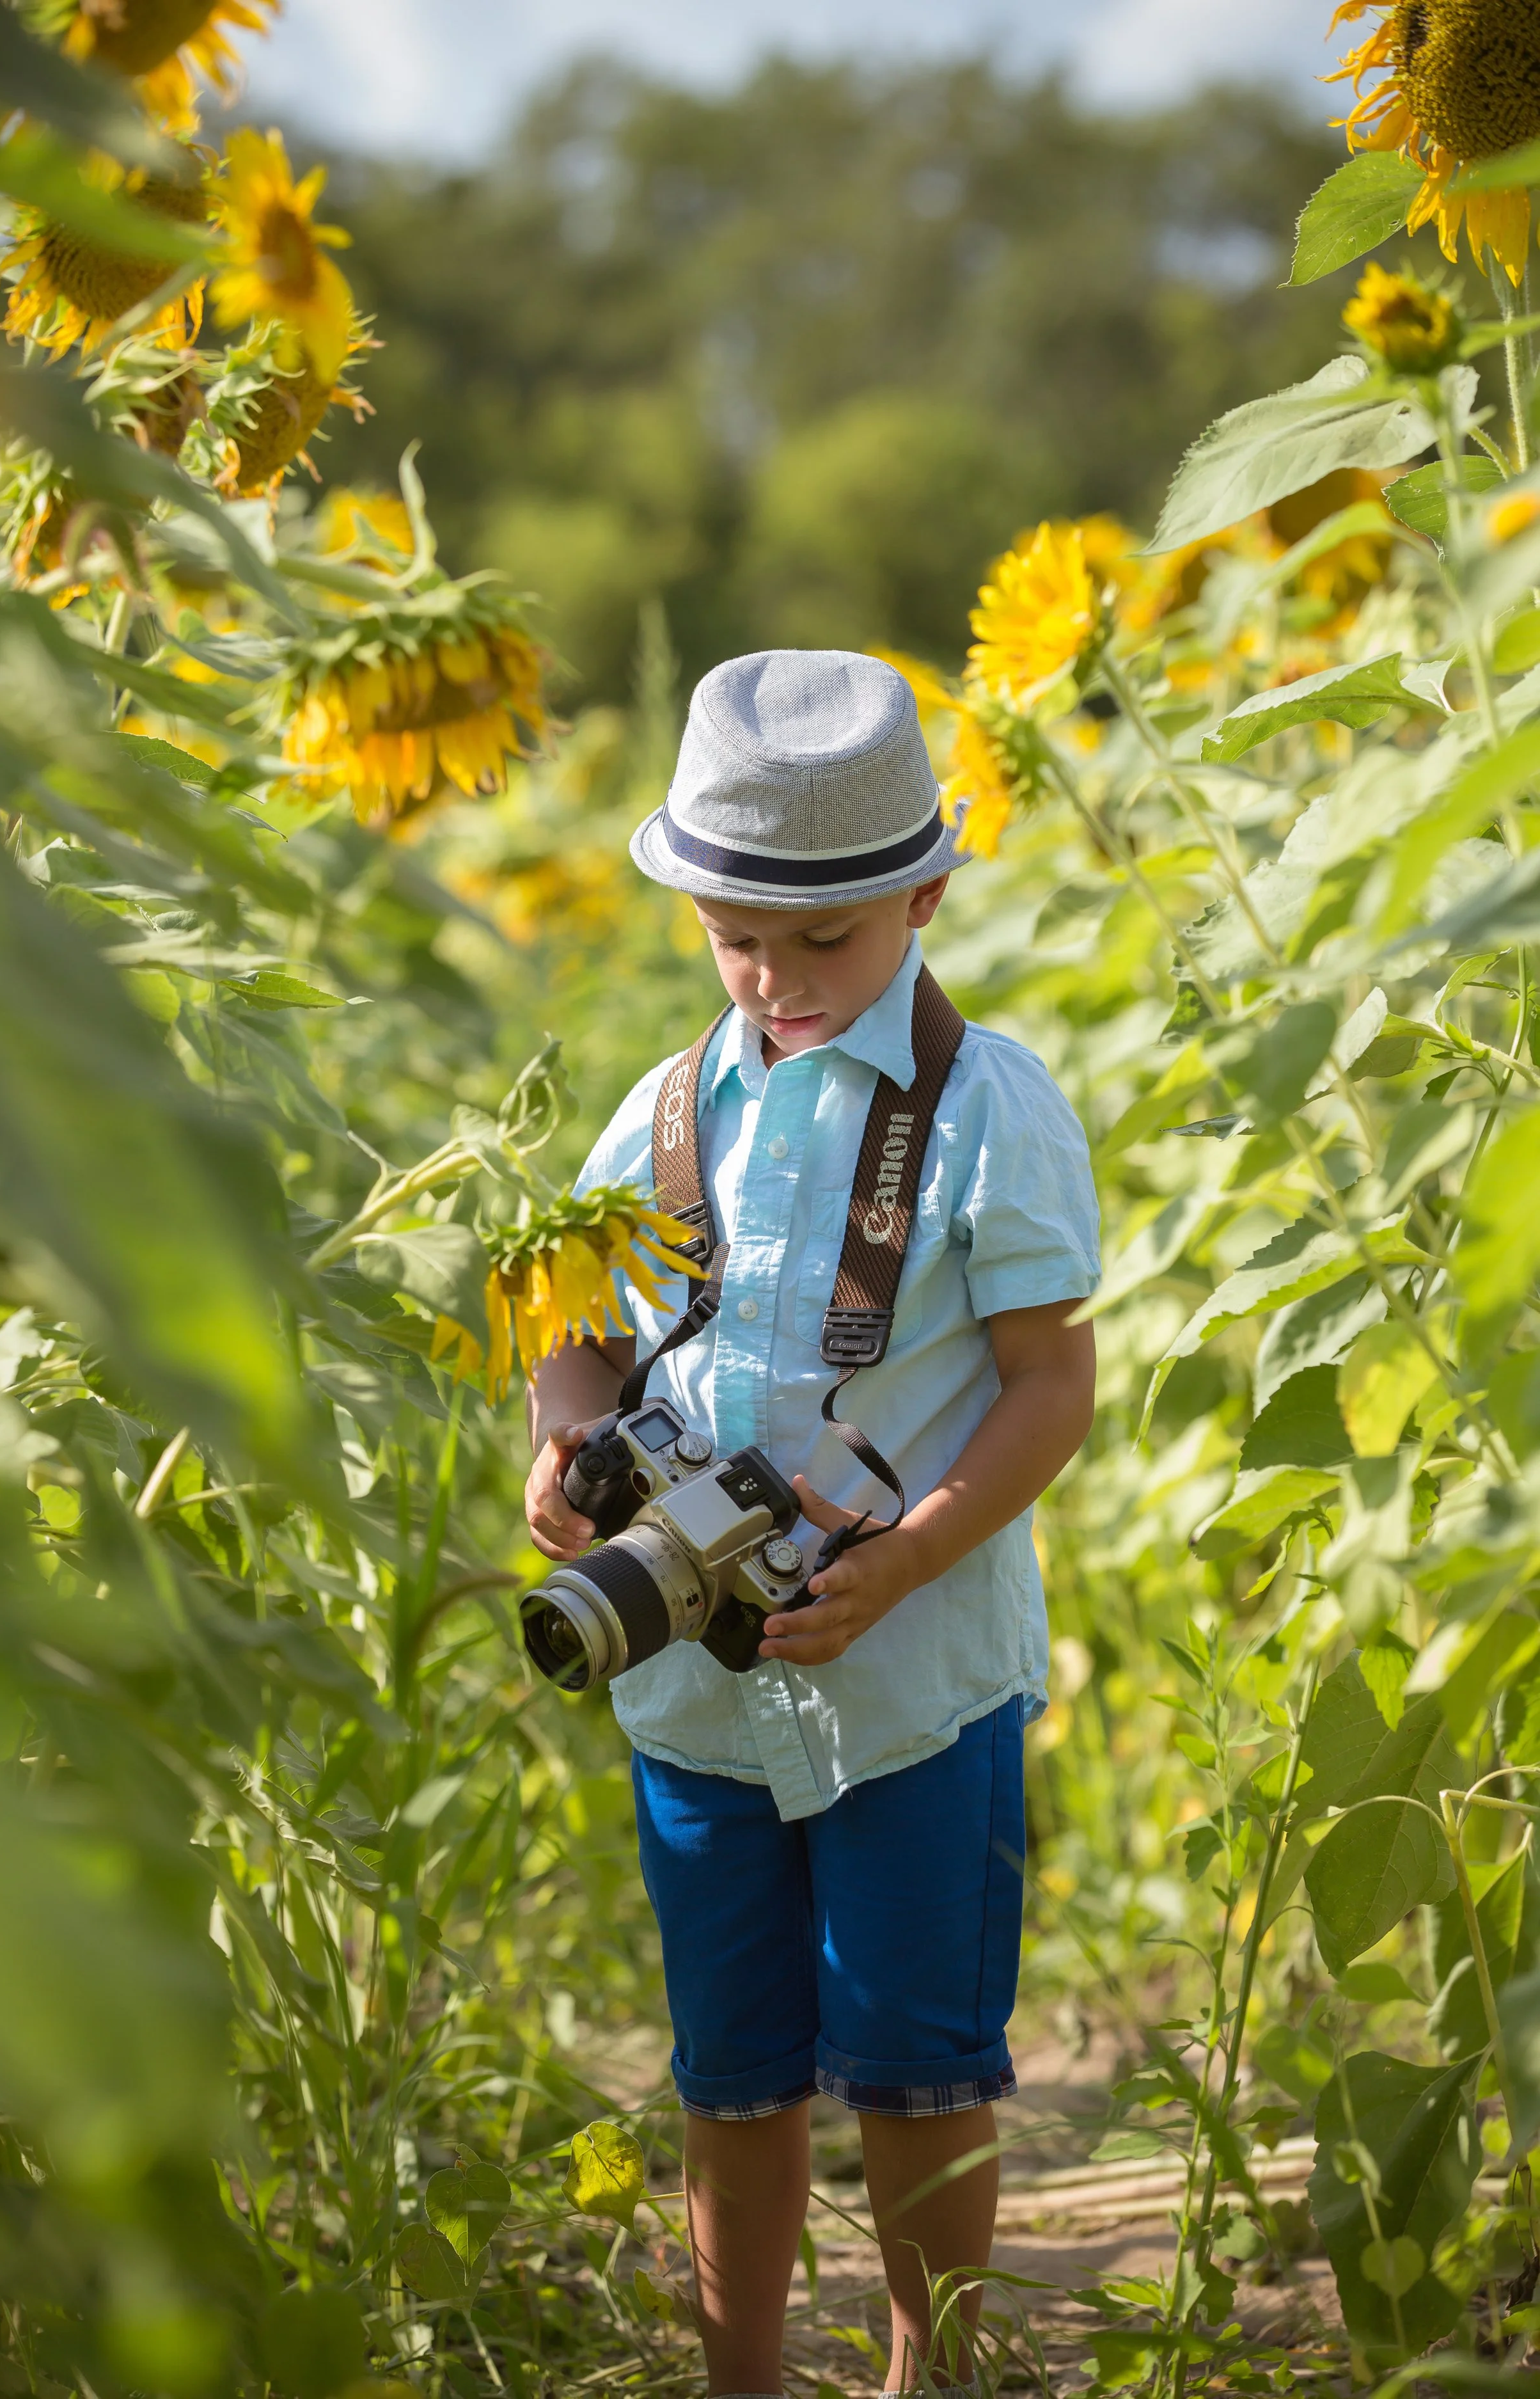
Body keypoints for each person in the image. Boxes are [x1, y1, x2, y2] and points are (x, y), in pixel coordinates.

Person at [524, 649, 1099, 2398]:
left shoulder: (989, 1107)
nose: (774, 980)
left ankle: (934, 2366)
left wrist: (910, 1553)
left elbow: (1047, 1384)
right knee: (731, 2067)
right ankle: (743, 2377)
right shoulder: (662, 1109)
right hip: (696, 1693)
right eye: (734, 935)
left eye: (823, 940)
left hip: (909, 1680)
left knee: (922, 2063)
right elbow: (578, 1322)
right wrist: (563, 1444)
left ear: (922, 889)